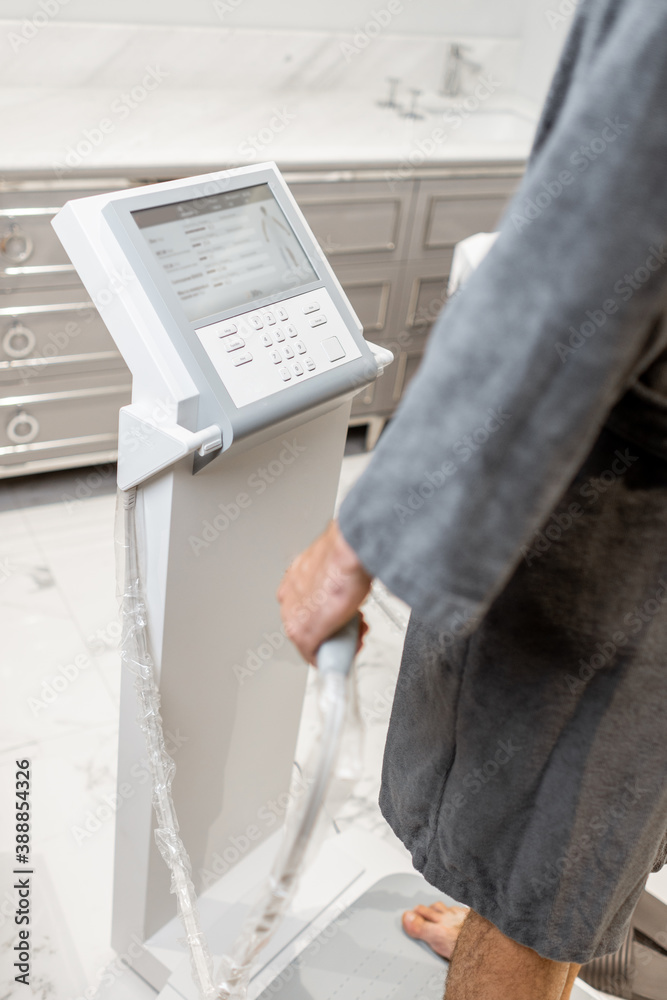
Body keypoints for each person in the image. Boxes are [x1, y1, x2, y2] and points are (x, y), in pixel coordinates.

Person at [278, 1, 667, 997]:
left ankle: (517, 946)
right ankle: (510, 922)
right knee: (577, 833)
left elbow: (585, 249)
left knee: (551, 834)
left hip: (632, 514)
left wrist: (362, 533)